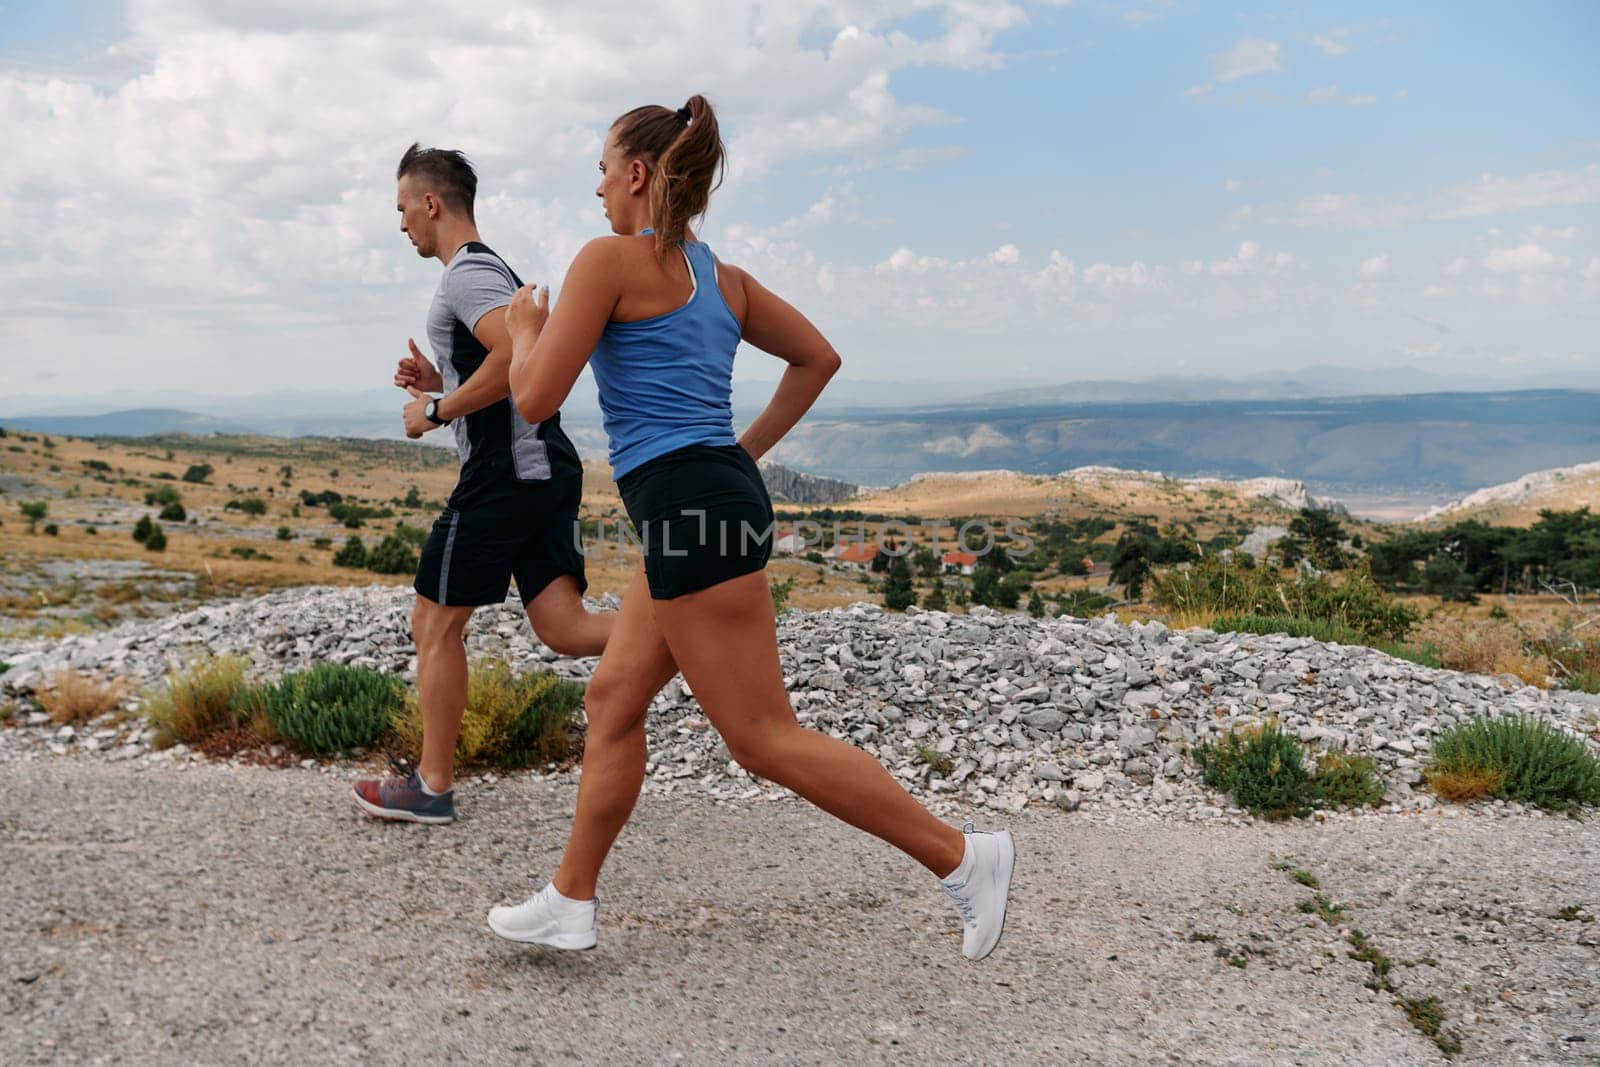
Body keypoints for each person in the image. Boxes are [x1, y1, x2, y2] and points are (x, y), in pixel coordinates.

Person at [486, 98, 1015, 960]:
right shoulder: (722, 279)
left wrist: (525, 330)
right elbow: (820, 357)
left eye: (601, 168)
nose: (595, 190)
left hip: (689, 509)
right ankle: (569, 900)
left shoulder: (609, 260)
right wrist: (739, 451)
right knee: (614, 698)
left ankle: (964, 859)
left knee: (763, 737)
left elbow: (535, 398)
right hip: (712, 496)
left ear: (638, 174)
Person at [352, 144, 613, 825]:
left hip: (508, 473)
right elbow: (511, 366)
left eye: (404, 208)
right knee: (564, 627)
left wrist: (436, 410)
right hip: (543, 465)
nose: (402, 222)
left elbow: (518, 355)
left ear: (431, 203)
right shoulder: (490, 269)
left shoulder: (466, 278)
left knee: (433, 620)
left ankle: (432, 786)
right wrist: (441, 381)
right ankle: (686, 632)